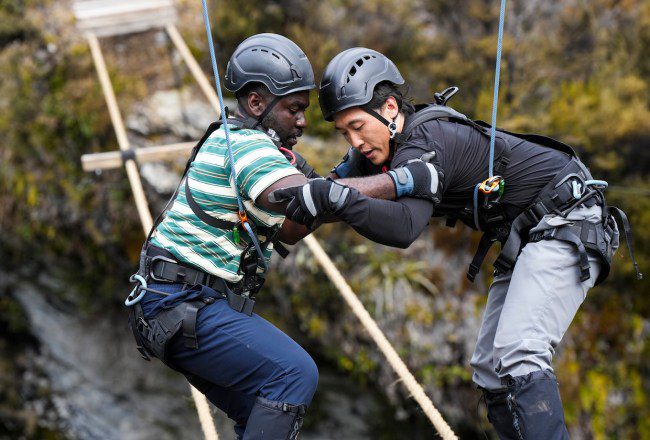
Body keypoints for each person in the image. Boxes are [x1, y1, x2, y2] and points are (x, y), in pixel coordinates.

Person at [270, 47, 639, 439]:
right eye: (344, 132)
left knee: (521, 353)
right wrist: (296, 190)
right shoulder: (373, 157)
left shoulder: (428, 139)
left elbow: (404, 228)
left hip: (569, 217)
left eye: (358, 126)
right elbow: (321, 202)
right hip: (526, 235)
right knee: (488, 368)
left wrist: (336, 196)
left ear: (391, 108)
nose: (354, 140)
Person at [125, 33, 322, 440]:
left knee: (261, 410)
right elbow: (291, 196)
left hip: (170, 304)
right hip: (179, 300)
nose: (302, 121)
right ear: (256, 103)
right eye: (293, 109)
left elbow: (291, 227)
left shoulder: (242, 142)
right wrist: (390, 185)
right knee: (294, 372)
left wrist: (344, 178)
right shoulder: (247, 147)